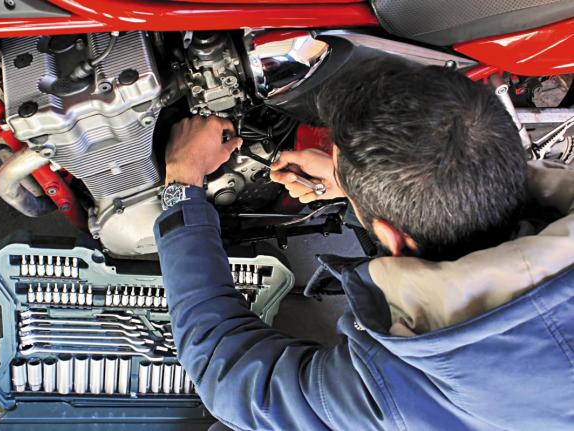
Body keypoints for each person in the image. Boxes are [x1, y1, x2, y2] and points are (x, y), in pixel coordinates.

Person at [153, 57, 574, 430]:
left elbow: (228, 377)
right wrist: (361, 189)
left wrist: (182, 183)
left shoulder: (401, 393)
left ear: (390, 235)